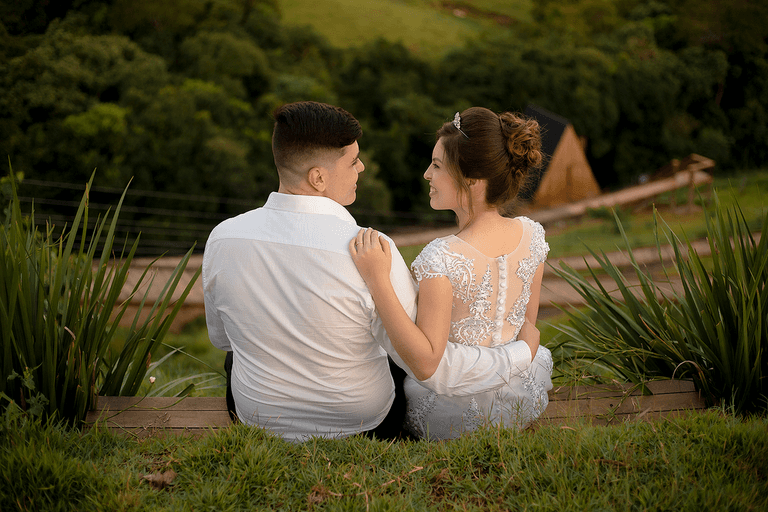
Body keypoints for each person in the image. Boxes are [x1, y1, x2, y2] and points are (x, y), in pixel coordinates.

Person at [203, 101, 539, 442]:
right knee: (393, 346)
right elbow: (420, 360)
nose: (361, 167)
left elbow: (222, 339)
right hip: (364, 422)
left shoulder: (222, 238)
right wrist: (520, 353)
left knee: (238, 351)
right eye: (353, 161)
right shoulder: (374, 250)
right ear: (318, 178)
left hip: (257, 416)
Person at [350, 107, 553, 440]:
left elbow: (426, 362)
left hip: (452, 413)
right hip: (521, 396)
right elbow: (527, 327)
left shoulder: (442, 257)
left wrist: (377, 280)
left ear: (471, 179)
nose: (427, 175)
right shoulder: (533, 236)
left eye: (437, 165)